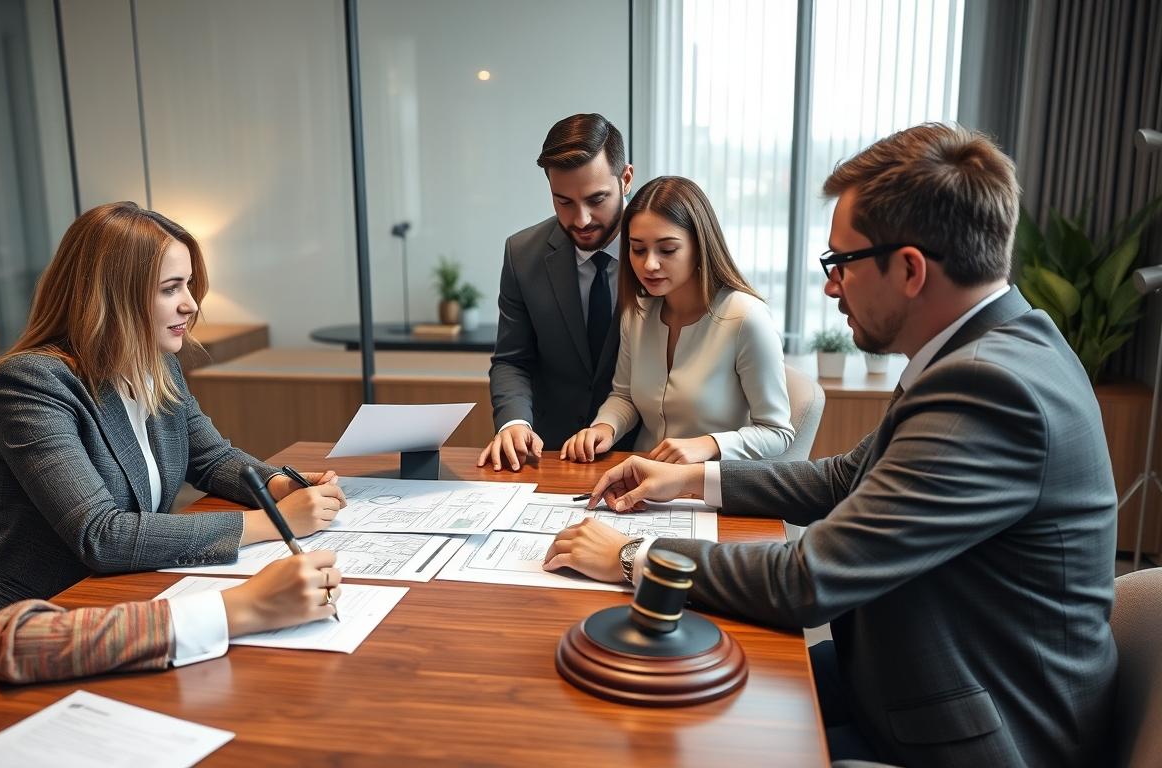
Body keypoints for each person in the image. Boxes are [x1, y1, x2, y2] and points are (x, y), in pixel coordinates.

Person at [545, 124, 1116, 766]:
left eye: (840, 263)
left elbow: (806, 580)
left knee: (692, 741)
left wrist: (629, 557)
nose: (829, 286)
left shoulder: (992, 388)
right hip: (907, 673)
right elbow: (848, 477)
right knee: (676, 707)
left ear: (908, 270)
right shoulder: (985, 349)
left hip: (979, 728)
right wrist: (689, 479)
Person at [0, 202, 347, 659]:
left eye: (189, 285)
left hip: (123, 604)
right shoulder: (33, 384)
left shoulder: (156, 366)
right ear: (112, 295)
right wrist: (271, 523)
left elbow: (211, 459)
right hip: (34, 633)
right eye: (170, 288)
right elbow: (102, 535)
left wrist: (279, 486)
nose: (191, 304)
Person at [558, 176, 793, 464]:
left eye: (667, 250)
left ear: (699, 247)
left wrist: (710, 445)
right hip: (643, 478)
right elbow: (625, 396)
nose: (649, 264)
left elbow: (777, 433)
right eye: (638, 249)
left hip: (713, 489)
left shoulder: (746, 318)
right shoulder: (637, 312)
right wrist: (604, 427)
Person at [478, 113, 634, 471]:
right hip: (551, 454)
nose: (580, 219)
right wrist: (514, 423)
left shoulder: (662, 252)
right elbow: (512, 359)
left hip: (644, 452)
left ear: (625, 178)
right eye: (563, 201)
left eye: (596, 199)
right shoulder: (522, 253)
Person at [0, 550, 341, 683]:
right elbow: (0, 642)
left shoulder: (156, 374)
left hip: (117, 613)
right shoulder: (33, 378)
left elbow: (210, 455)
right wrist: (243, 607)